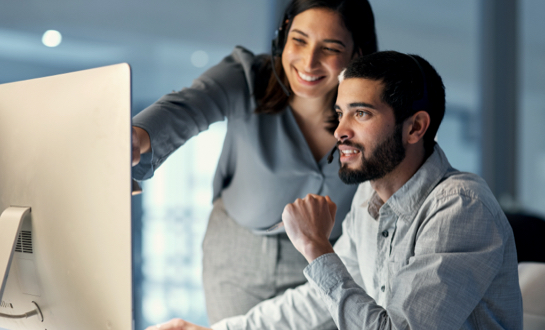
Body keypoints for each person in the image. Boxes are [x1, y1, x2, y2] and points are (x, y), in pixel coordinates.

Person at [147, 51, 523, 330]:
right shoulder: (368, 199)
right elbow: (318, 300)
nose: (340, 131)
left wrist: (316, 247)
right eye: (340, 113)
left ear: (415, 128)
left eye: (361, 114)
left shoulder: (459, 207)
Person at [131, 0, 378, 324]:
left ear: (356, 54)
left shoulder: (371, 115)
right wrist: (136, 136)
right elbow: (188, 106)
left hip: (324, 253)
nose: (308, 61)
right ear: (282, 37)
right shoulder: (248, 76)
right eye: (299, 40)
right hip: (238, 252)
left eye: (329, 48)